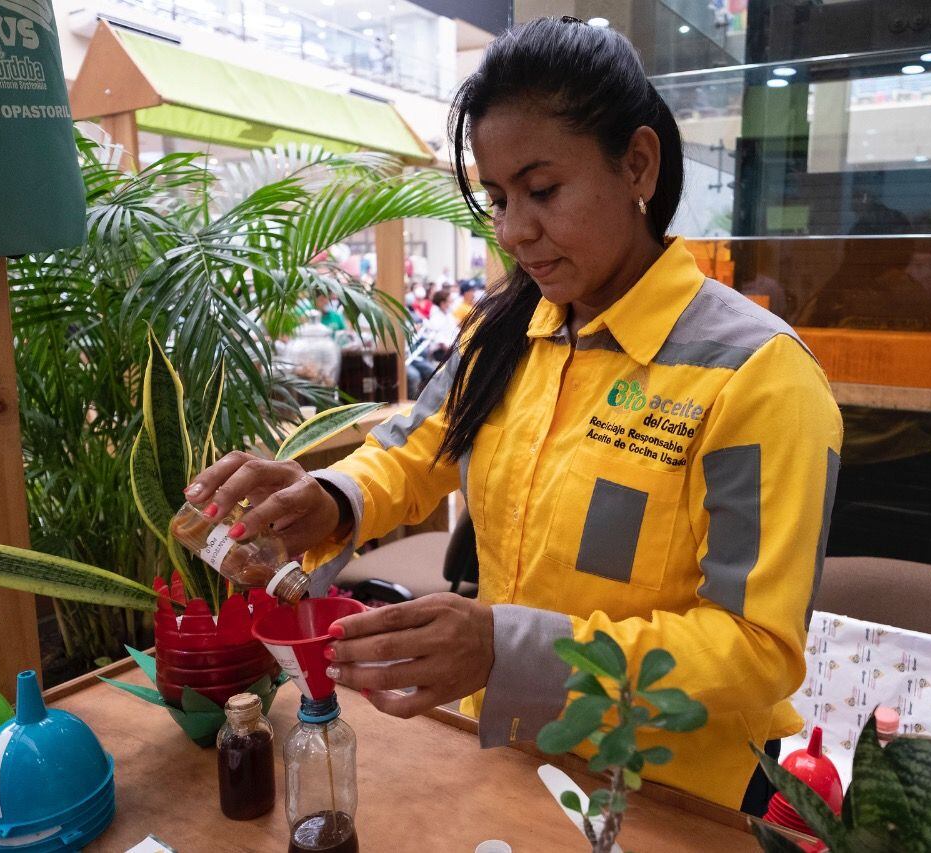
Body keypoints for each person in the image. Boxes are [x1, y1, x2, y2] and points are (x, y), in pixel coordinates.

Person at [182, 17, 840, 814]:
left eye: (543, 189)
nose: (513, 230)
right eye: (496, 198)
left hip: (666, 792)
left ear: (637, 164)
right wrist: (327, 497)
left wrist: (505, 646)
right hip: (506, 751)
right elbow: (409, 452)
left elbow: (757, 646)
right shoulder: (506, 333)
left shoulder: (756, 376)